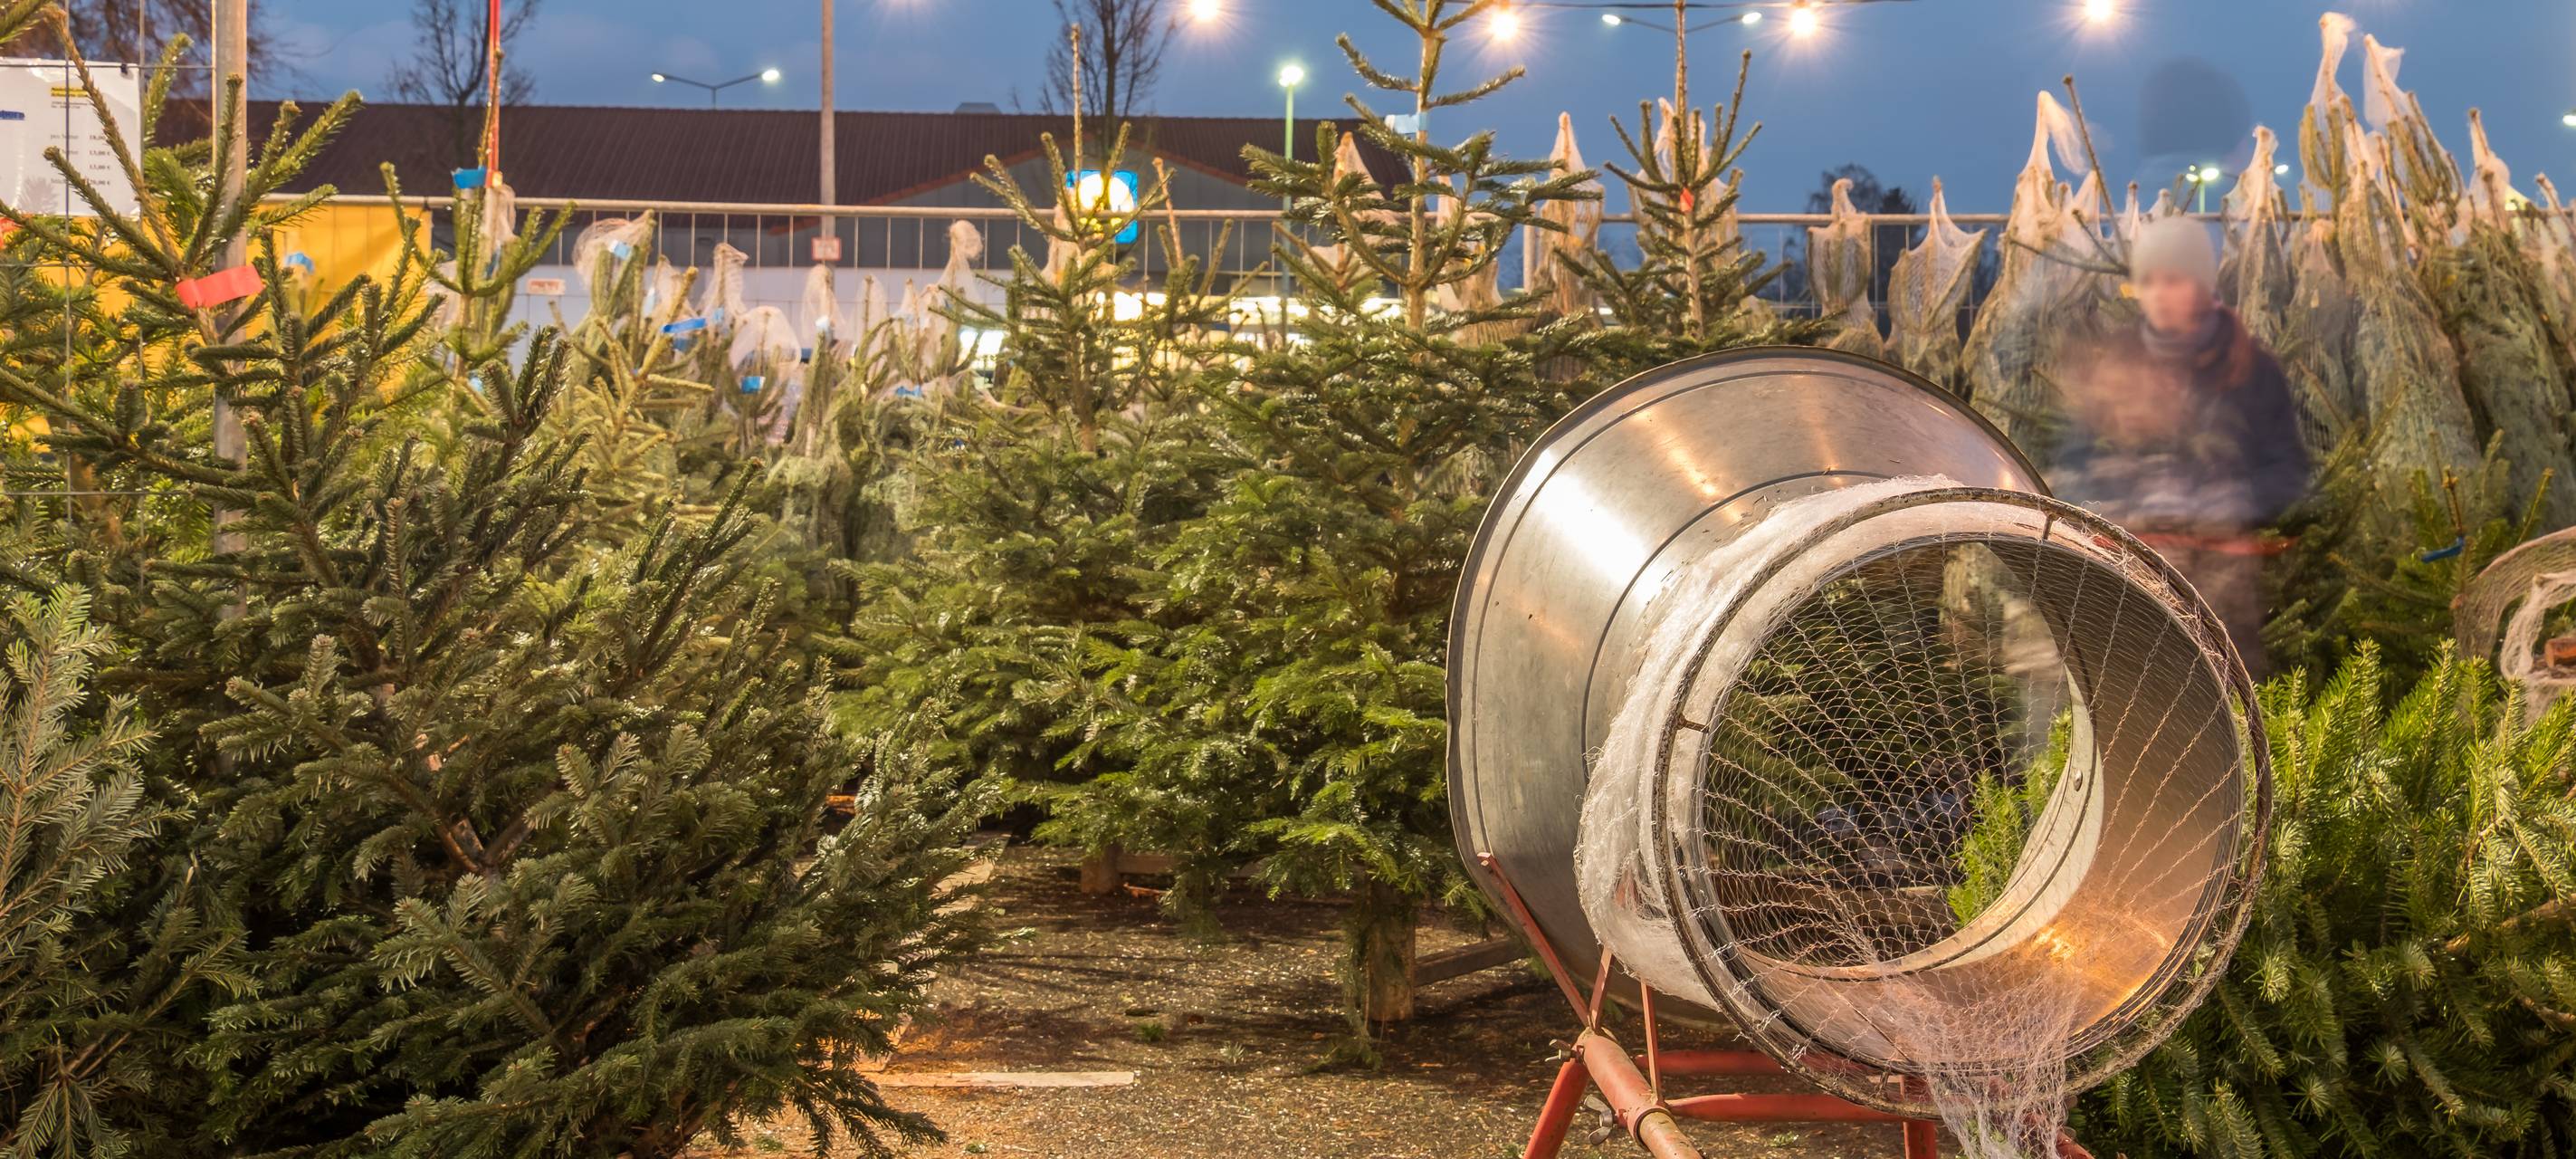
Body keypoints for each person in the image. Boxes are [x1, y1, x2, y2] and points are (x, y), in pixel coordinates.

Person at [2050, 216, 2308, 676]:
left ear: (2202, 285)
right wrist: (2109, 498)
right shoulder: (2118, 364)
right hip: (2131, 565)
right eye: (2148, 282)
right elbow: (2076, 461)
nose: (2159, 294)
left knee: (2223, 685)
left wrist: (2234, 501)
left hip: (2220, 576)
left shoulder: (2250, 367)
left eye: (2173, 280)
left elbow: (2287, 469)